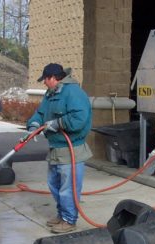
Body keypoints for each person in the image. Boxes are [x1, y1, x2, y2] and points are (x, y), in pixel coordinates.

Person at [27, 63, 92, 234]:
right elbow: (41, 113)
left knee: (67, 188)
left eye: (45, 80)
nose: (44, 83)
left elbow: (80, 117)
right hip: (56, 148)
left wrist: (58, 123)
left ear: (53, 78)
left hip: (71, 150)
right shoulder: (51, 94)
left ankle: (69, 220)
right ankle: (62, 215)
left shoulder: (73, 93)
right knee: (54, 184)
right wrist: (34, 125)